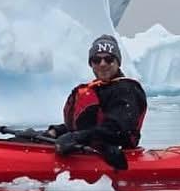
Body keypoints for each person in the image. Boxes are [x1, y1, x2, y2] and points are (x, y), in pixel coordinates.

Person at [46, 35, 147, 170]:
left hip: (116, 155)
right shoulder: (98, 89)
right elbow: (87, 126)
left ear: (118, 62)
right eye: (96, 60)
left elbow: (117, 130)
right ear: (91, 64)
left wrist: (77, 137)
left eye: (109, 59)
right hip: (88, 148)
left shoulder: (127, 90)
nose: (102, 64)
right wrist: (56, 131)